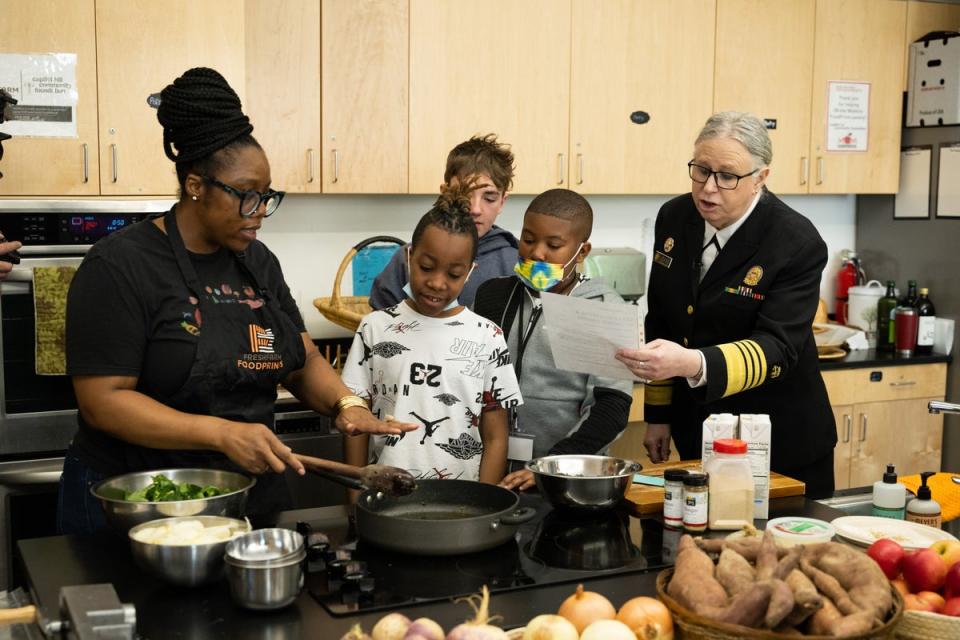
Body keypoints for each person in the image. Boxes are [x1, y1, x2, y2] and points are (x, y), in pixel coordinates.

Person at [58, 67, 415, 534]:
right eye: (247, 197)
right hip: (139, 503)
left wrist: (346, 406)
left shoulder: (258, 261)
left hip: (247, 498)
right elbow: (103, 401)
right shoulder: (120, 265)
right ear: (196, 186)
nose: (261, 212)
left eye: (267, 196)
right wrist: (221, 433)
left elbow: (300, 357)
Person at [615, 111, 836, 498]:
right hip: (699, 431)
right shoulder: (675, 217)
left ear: (760, 178)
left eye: (727, 176)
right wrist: (659, 417)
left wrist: (692, 363)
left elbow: (777, 348)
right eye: (701, 169)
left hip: (780, 441)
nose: (708, 189)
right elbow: (663, 321)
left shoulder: (795, 242)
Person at [340, 187, 521, 484]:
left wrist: (484, 504)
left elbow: (496, 436)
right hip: (384, 498)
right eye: (426, 267)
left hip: (463, 506)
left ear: (469, 272)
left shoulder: (488, 336)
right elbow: (356, 423)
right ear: (409, 256)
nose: (437, 283)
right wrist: (354, 500)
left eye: (453, 274)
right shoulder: (373, 328)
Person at [473, 189, 633, 491]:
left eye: (554, 245)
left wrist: (552, 467)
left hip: (569, 478)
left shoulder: (604, 310)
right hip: (495, 473)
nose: (536, 253)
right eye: (528, 239)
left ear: (582, 252)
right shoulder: (494, 296)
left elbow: (611, 408)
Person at [369, 134, 518, 309]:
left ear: (502, 201)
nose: (475, 209)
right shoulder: (409, 258)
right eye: (465, 193)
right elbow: (380, 323)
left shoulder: (514, 263)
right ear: (444, 191)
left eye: (489, 198)